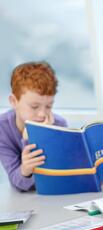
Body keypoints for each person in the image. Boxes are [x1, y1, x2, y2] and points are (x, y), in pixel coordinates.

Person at [0, 61, 67, 191]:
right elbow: (18, 183)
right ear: (14, 102)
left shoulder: (59, 124)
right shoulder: (2, 129)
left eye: (49, 106)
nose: (42, 114)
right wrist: (25, 168)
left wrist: (47, 135)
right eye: (34, 106)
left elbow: (59, 177)